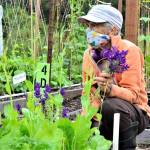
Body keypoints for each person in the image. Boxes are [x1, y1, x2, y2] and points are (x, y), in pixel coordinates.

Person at [79, 4, 150, 150]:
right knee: (83, 127)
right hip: (100, 110)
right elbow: (87, 94)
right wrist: (85, 119)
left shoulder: (128, 51)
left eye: (94, 26)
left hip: (134, 112)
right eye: (88, 26)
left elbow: (134, 95)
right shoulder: (89, 54)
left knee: (110, 106)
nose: (89, 30)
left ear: (113, 30)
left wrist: (111, 90)